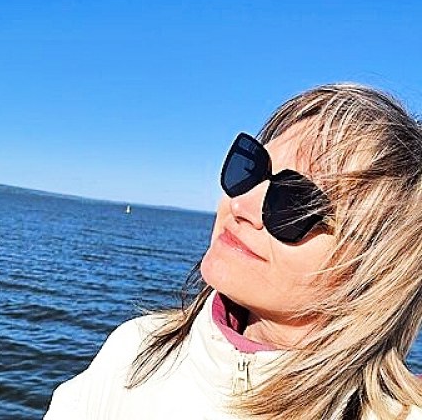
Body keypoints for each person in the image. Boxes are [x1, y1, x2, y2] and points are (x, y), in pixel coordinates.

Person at [44, 83, 422, 420]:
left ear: (377, 268)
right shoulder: (136, 349)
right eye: (250, 170)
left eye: (294, 202)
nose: (240, 204)